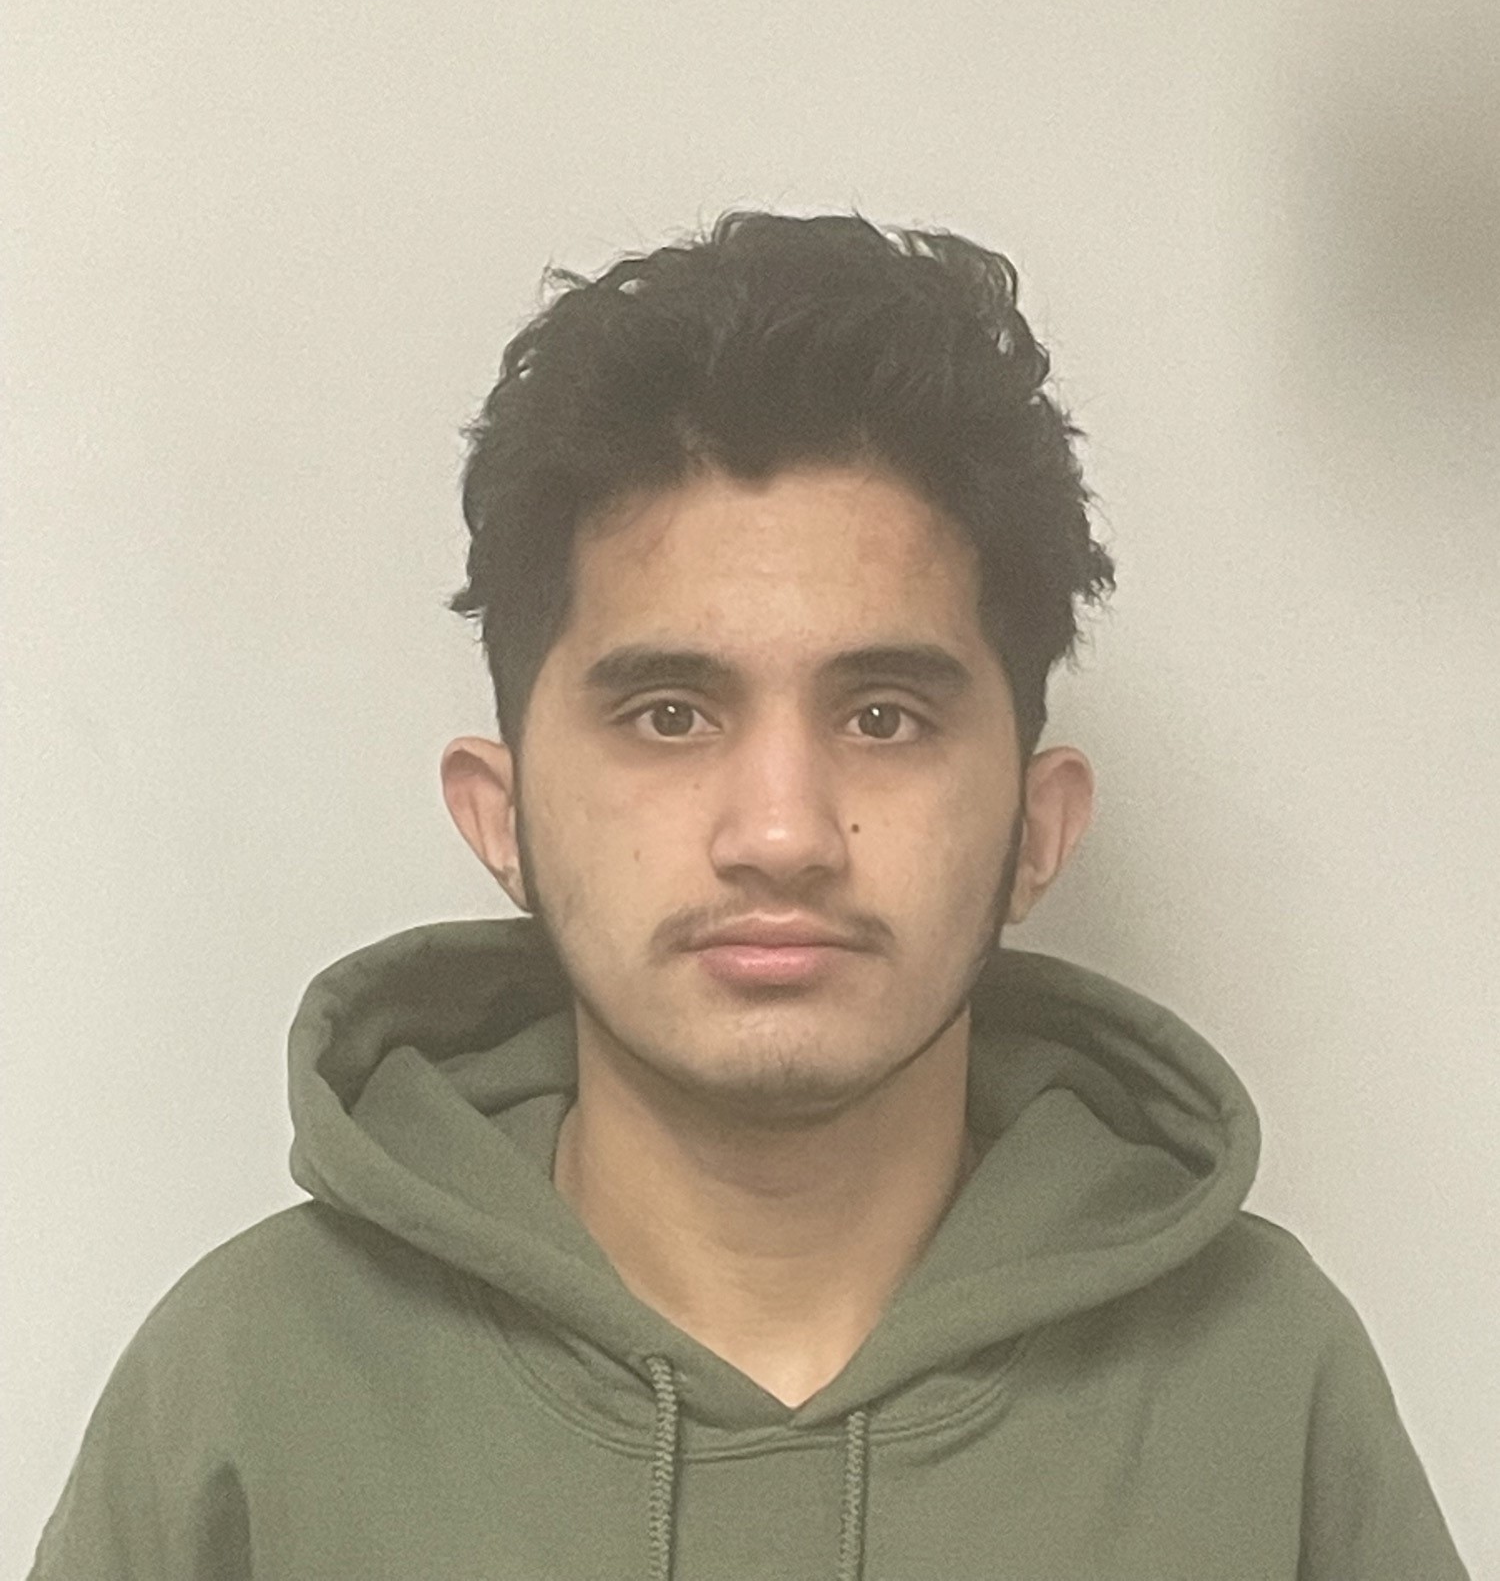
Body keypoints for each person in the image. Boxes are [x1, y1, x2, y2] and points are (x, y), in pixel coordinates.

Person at [31, 210, 1468, 1580]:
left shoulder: (1262, 1387)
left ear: (1038, 830)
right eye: (668, 715)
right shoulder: (248, 1386)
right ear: (501, 816)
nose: (782, 834)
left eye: (886, 717)